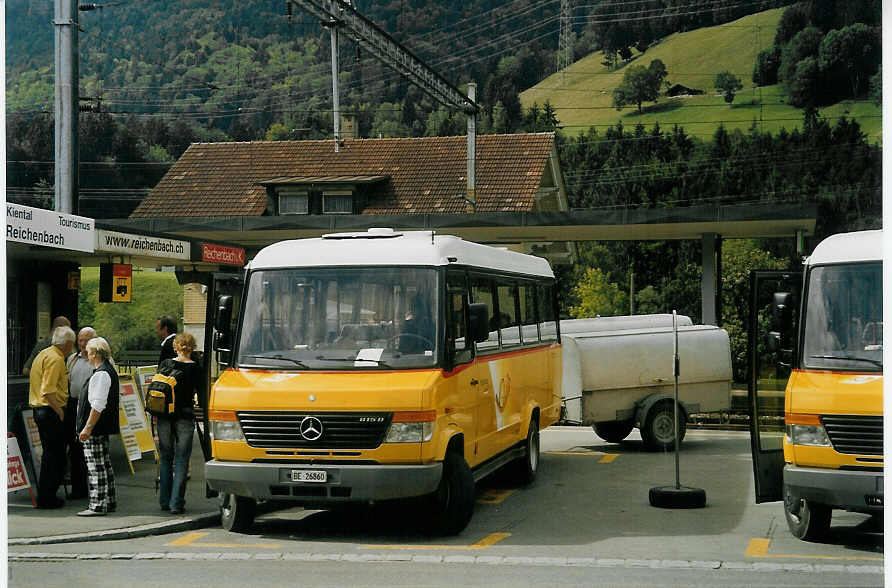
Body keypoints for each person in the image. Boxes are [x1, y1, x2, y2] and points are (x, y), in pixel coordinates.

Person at [157, 332, 205, 515]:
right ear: (192, 348)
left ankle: (164, 500)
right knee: (182, 460)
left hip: (164, 416)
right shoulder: (196, 369)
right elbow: (201, 396)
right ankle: (176, 503)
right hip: (184, 416)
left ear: (175, 347)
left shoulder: (166, 364)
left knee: (166, 458)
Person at [28, 325, 76, 508]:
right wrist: (60, 411)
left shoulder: (44, 354)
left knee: (50, 454)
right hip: (50, 410)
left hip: (41, 410)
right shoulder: (56, 359)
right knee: (55, 456)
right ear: (68, 343)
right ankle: (48, 498)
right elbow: (48, 391)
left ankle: (46, 496)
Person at [76, 337, 120, 516]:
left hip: (95, 427)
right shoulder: (107, 370)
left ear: (95, 353)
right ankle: (108, 500)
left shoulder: (101, 374)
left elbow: (98, 404)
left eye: (88, 351)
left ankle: (98, 504)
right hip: (101, 427)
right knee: (103, 464)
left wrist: (87, 427)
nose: (86, 354)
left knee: (95, 466)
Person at [63, 326, 98, 500]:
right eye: (80, 340)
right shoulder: (72, 359)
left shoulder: (101, 360)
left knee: (92, 450)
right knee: (75, 449)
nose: (83, 344)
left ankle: (94, 488)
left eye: (87, 340)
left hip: (92, 407)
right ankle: (78, 489)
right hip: (73, 405)